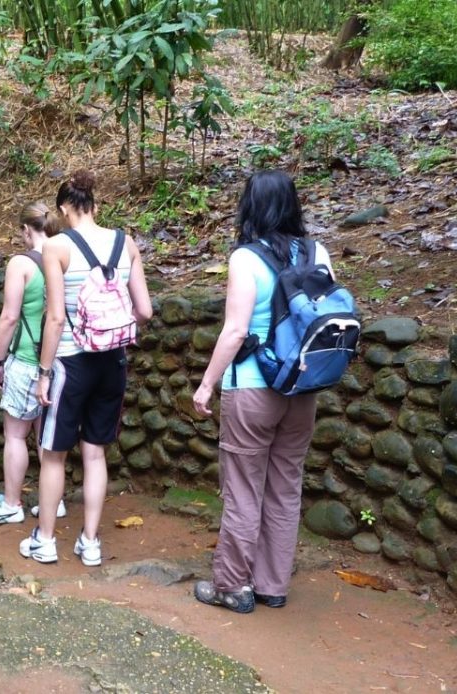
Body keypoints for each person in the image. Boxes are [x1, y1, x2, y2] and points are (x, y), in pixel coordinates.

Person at [190, 170, 330, 613]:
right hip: (302, 386)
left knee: (243, 489)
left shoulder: (246, 259)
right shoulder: (318, 252)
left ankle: (233, 584)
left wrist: (206, 384)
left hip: (252, 387)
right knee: (286, 486)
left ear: (250, 206)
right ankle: (272, 584)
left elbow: (234, 332)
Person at [23, 170, 153, 566]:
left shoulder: (56, 247)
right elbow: (144, 310)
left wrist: (43, 372)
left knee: (53, 454)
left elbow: (56, 318)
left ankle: (45, 540)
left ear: (63, 208)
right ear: (95, 205)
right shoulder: (125, 242)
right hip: (112, 361)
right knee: (95, 454)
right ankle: (90, 542)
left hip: (69, 363)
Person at [0, 202, 67, 524]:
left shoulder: (21, 263)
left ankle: (12, 504)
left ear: (26, 230)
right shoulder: (66, 255)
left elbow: (9, 316)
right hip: (59, 361)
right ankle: (52, 501)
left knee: (16, 435)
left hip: (28, 357)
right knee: (48, 436)